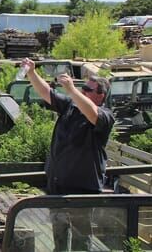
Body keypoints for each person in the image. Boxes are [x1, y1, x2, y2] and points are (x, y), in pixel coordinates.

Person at [21, 58, 114, 251]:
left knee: (81, 241)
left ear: (101, 95)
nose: (83, 91)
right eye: (83, 88)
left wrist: (71, 90)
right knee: (59, 238)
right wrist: (32, 73)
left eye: (88, 90)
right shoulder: (71, 107)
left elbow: (92, 114)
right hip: (58, 185)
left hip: (82, 190)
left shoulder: (105, 116)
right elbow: (48, 93)